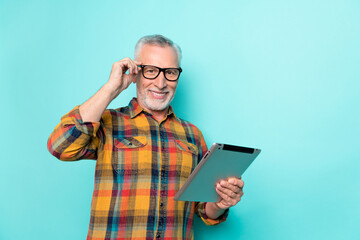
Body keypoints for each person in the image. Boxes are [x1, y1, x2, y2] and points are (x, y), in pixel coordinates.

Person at [47, 34, 244, 240]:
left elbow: (203, 208)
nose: (161, 83)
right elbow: (60, 146)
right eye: (150, 71)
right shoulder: (107, 122)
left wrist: (221, 202)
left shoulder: (193, 135)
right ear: (135, 72)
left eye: (170, 72)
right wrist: (111, 88)